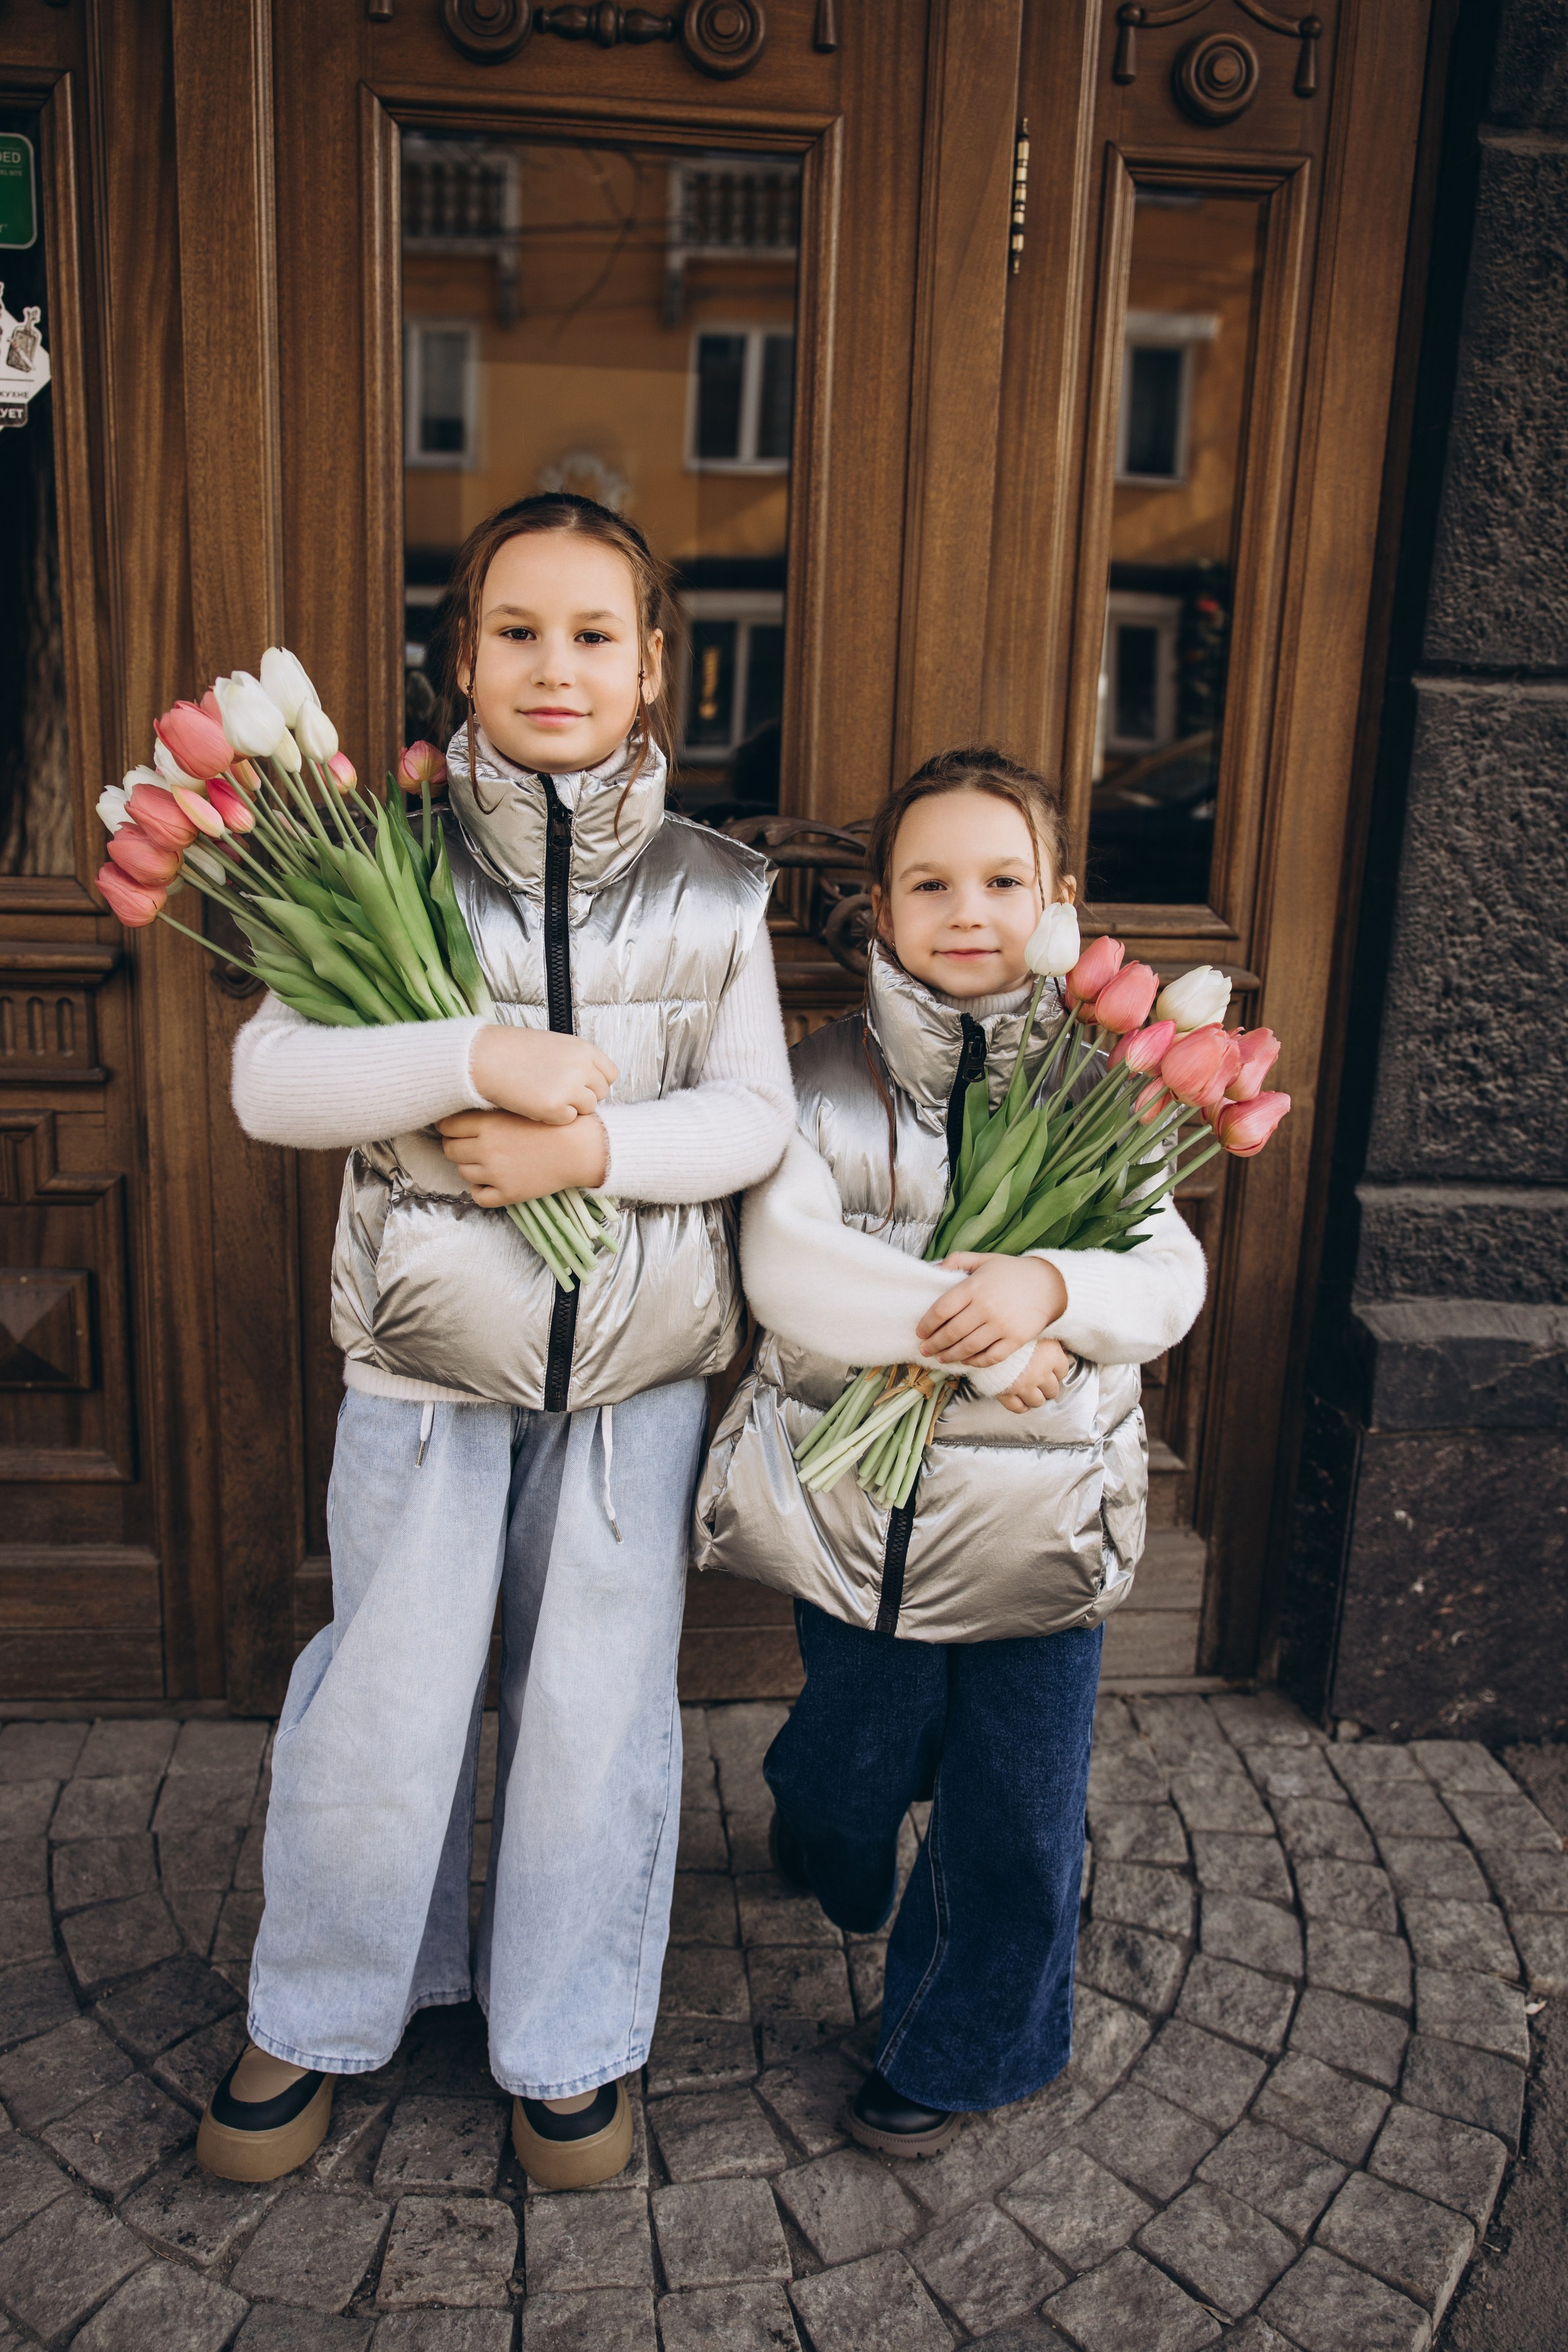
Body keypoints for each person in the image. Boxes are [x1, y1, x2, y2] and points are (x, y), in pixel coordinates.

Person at [198, 493, 793, 2188]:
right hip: (423, 1377)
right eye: (516, 631)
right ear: (460, 660)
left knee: (593, 1712)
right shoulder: (378, 860)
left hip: (632, 1388)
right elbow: (271, 1081)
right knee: (383, 1705)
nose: (555, 665)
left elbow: (753, 1119)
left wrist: (585, 1149)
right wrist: (471, 1057)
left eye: (593, 634)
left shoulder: (712, 892)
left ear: (653, 666)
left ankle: (565, 2036)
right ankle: (320, 2013)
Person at [695, 746, 1207, 2155]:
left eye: (999, 880)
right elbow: (785, 1271)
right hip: (862, 1520)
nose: (965, 910)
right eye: (927, 884)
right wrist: (977, 1333)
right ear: (879, 908)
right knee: (854, 1753)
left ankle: (968, 2039)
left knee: (1017, 1809)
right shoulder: (816, 1086)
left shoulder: (1112, 1094)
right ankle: (820, 1819)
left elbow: (1165, 1279)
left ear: (1057, 903)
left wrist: (1050, 1288)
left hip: (1043, 1530)